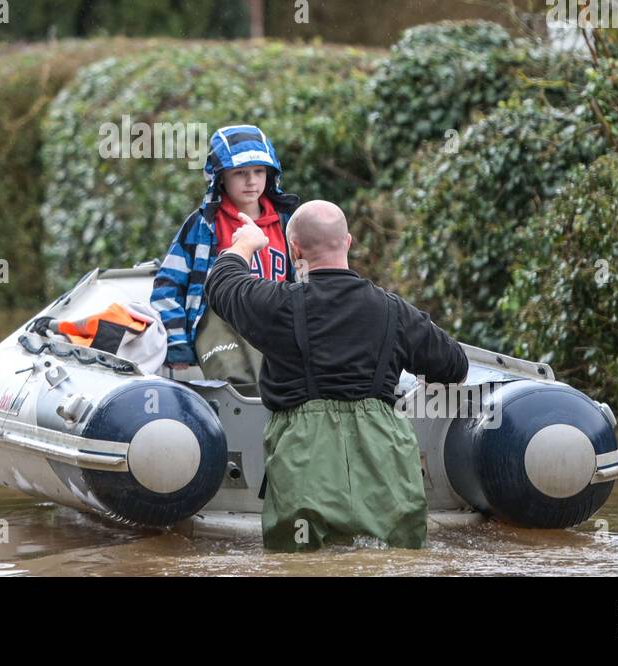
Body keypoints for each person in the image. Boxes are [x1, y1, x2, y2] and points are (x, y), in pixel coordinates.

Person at [204, 199, 469, 551]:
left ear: (294, 249)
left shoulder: (277, 305)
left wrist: (247, 243)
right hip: (387, 464)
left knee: (303, 567)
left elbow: (221, 284)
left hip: (306, 463)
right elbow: (455, 366)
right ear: (348, 242)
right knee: (395, 563)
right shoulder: (396, 311)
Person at [150, 124, 299, 392]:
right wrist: (177, 342)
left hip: (277, 329)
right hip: (223, 331)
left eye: (259, 171)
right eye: (240, 173)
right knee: (239, 396)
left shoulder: (287, 222)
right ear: (220, 178)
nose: (251, 181)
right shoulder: (203, 226)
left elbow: (306, 282)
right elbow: (167, 284)